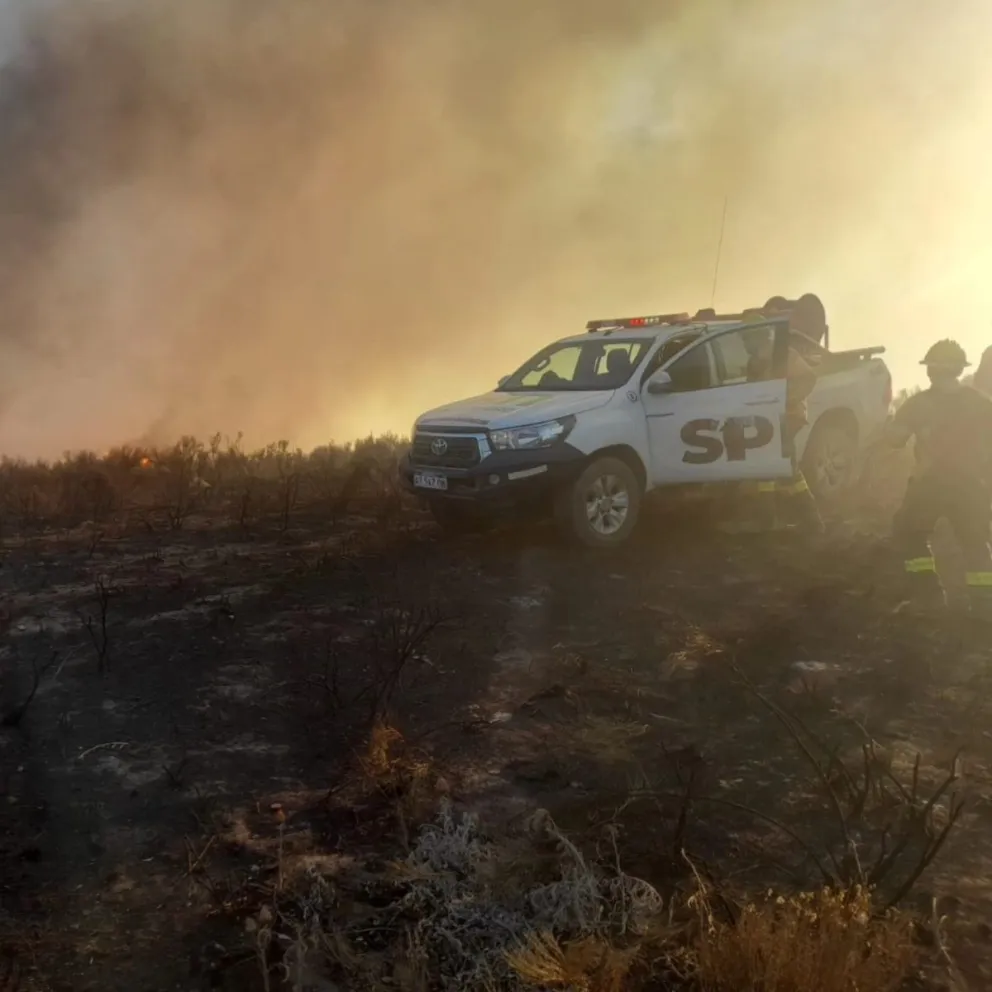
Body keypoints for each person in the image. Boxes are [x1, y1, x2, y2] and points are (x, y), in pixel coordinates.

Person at [868, 339, 992, 617]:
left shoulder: (918, 404)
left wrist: (885, 427)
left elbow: (895, 439)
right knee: (975, 544)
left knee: (909, 533)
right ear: (960, 369)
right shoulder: (982, 404)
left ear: (930, 371)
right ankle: (985, 607)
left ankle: (928, 597)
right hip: (971, 486)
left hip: (929, 485)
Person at [725, 309, 823, 534]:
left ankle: (767, 521)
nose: (744, 343)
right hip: (768, 419)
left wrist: (783, 399)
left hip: (788, 416)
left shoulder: (784, 355)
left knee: (768, 464)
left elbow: (808, 378)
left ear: (758, 336)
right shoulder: (754, 362)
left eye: (746, 338)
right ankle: (812, 522)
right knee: (787, 469)